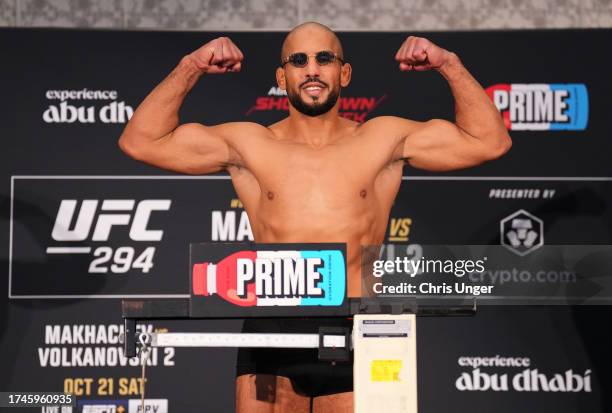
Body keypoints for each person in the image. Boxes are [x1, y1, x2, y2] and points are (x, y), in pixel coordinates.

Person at [119, 21, 511, 413]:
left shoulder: (383, 138)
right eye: (298, 60)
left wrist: (449, 64)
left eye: (324, 59)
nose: (311, 70)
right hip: (273, 328)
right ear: (281, 75)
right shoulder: (250, 144)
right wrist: (191, 66)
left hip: (364, 324)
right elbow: (140, 141)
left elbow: (489, 141)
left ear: (344, 72)